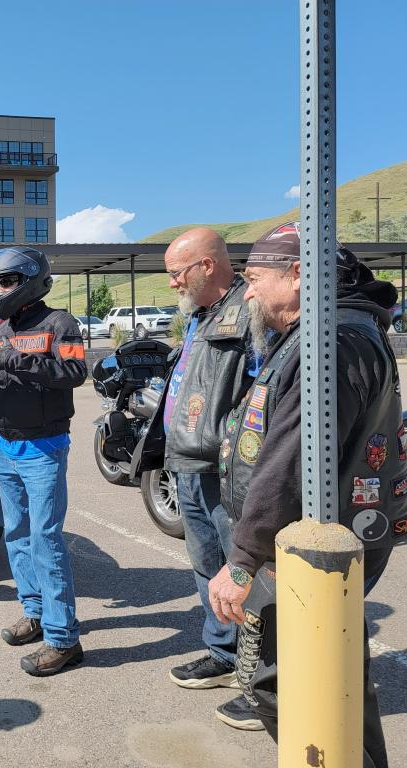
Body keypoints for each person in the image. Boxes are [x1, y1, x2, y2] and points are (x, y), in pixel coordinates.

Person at [211, 222, 407, 766]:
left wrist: (243, 559)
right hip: (318, 535)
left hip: (313, 544)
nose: (247, 294)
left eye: (254, 279)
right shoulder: (330, 331)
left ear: (299, 275)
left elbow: (290, 463)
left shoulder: (331, 343)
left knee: (279, 682)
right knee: (336, 676)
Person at [135, 228, 261, 728]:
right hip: (187, 463)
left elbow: (264, 392)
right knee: (206, 565)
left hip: (223, 470)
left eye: (176, 273)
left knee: (243, 572)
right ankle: (223, 654)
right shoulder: (201, 315)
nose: (172, 283)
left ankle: (261, 677)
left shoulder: (249, 311)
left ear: (207, 266)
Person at [0, 247, 88, 676]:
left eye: (7, 281)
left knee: (45, 538)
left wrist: (17, 359)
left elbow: (75, 373)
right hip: (6, 446)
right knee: (15, 535)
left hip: (44, 447)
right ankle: (34, 612)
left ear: (30, 280)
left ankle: (63, 639)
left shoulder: (60, 323)